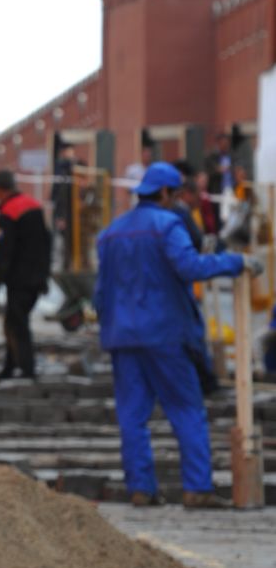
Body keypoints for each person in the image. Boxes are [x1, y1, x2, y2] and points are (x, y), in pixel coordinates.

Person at [95, 162, 255, 507]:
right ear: (166, 193)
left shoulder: (111, 233)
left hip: (122, 337)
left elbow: (100, 293)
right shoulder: (167, 225)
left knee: (132, 416)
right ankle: (196, 488)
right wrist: (236, 262)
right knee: (186, 409)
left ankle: (141, 489)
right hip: (165, 334)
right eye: (177, 193)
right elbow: (190, 267)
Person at [0, 170, 52, 379]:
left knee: (18, 323)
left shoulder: (9, 212)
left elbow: (4, 252)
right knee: (14, 321)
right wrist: (44, 276)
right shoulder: (34, 206)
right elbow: (46, 243)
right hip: (36, 277)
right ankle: (11, 366)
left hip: (18, 279)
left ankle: (27, 369)